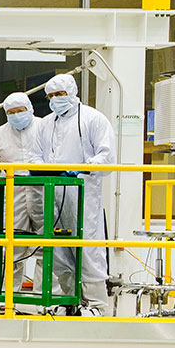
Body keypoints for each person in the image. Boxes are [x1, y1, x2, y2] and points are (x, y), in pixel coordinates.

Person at [38, 72, 113, 314]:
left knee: (88, 250)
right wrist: (36, 171)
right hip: (53, 195)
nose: (55, 100)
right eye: (50, 96)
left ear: (72, 92)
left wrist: (81, 169)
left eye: (59, 94)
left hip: (82, 195)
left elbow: (107, 157)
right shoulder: (46, 123)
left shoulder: (93, 119)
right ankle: (70, 303)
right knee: (60, 252)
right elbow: (34, 155)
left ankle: (98, 306)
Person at [0, 91, 45, 303]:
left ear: (30, 109)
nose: (16, 115)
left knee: (47, 247)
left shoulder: (46, 129)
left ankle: (44, 299)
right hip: (13, 192)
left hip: (45, 192)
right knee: (12, 247)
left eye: (20, 111)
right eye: (11, 112)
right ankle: (8, 299)